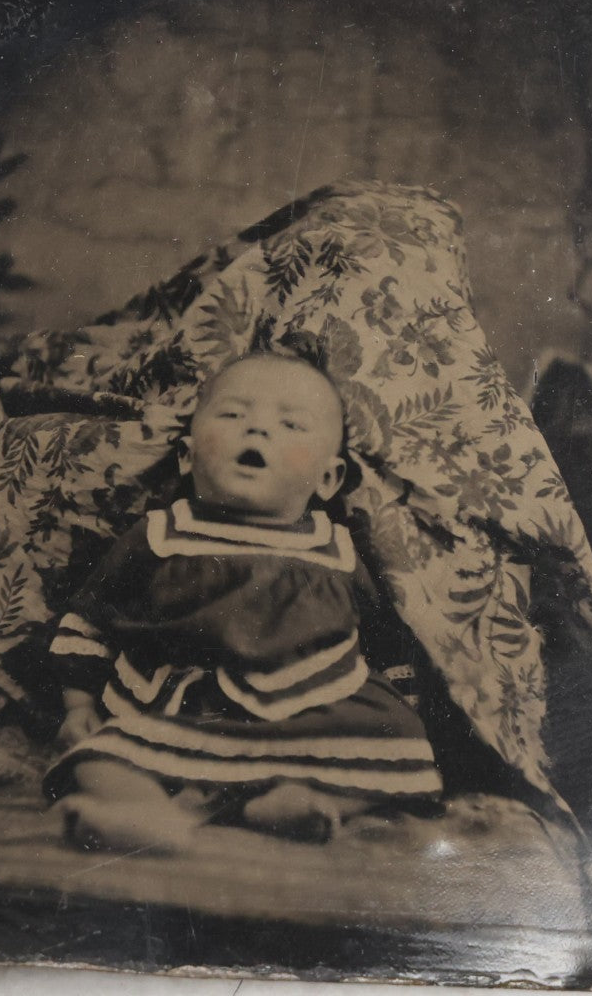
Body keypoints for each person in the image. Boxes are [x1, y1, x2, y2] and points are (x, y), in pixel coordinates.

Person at [44, 353, 442, 849]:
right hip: (187, 707)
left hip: (314, 704)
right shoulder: (161, 535)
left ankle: (300, 801)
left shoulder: (337, 549)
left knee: (401, 738)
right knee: (98, 754)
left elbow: (382, 639)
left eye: (291, 425)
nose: (257, 430)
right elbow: (91, 620)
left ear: (328, 479)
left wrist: (404, 703)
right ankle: (150, 813)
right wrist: (77, 705)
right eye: (233, 414)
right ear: (187, 456)